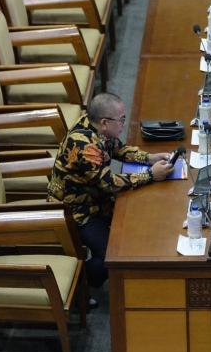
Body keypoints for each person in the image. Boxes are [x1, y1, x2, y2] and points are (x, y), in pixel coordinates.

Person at [48, 93, 174, 293]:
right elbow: (110, 184)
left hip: (95, 198)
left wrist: (149, 158)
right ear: (105, 122)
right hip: (77, 211)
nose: (124, 123)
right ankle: (78, 285)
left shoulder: (96, 126)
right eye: (121, 119)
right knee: (111, 255)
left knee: (138, 217)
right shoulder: (86, 147)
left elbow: (118, 149)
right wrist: (150, 175)